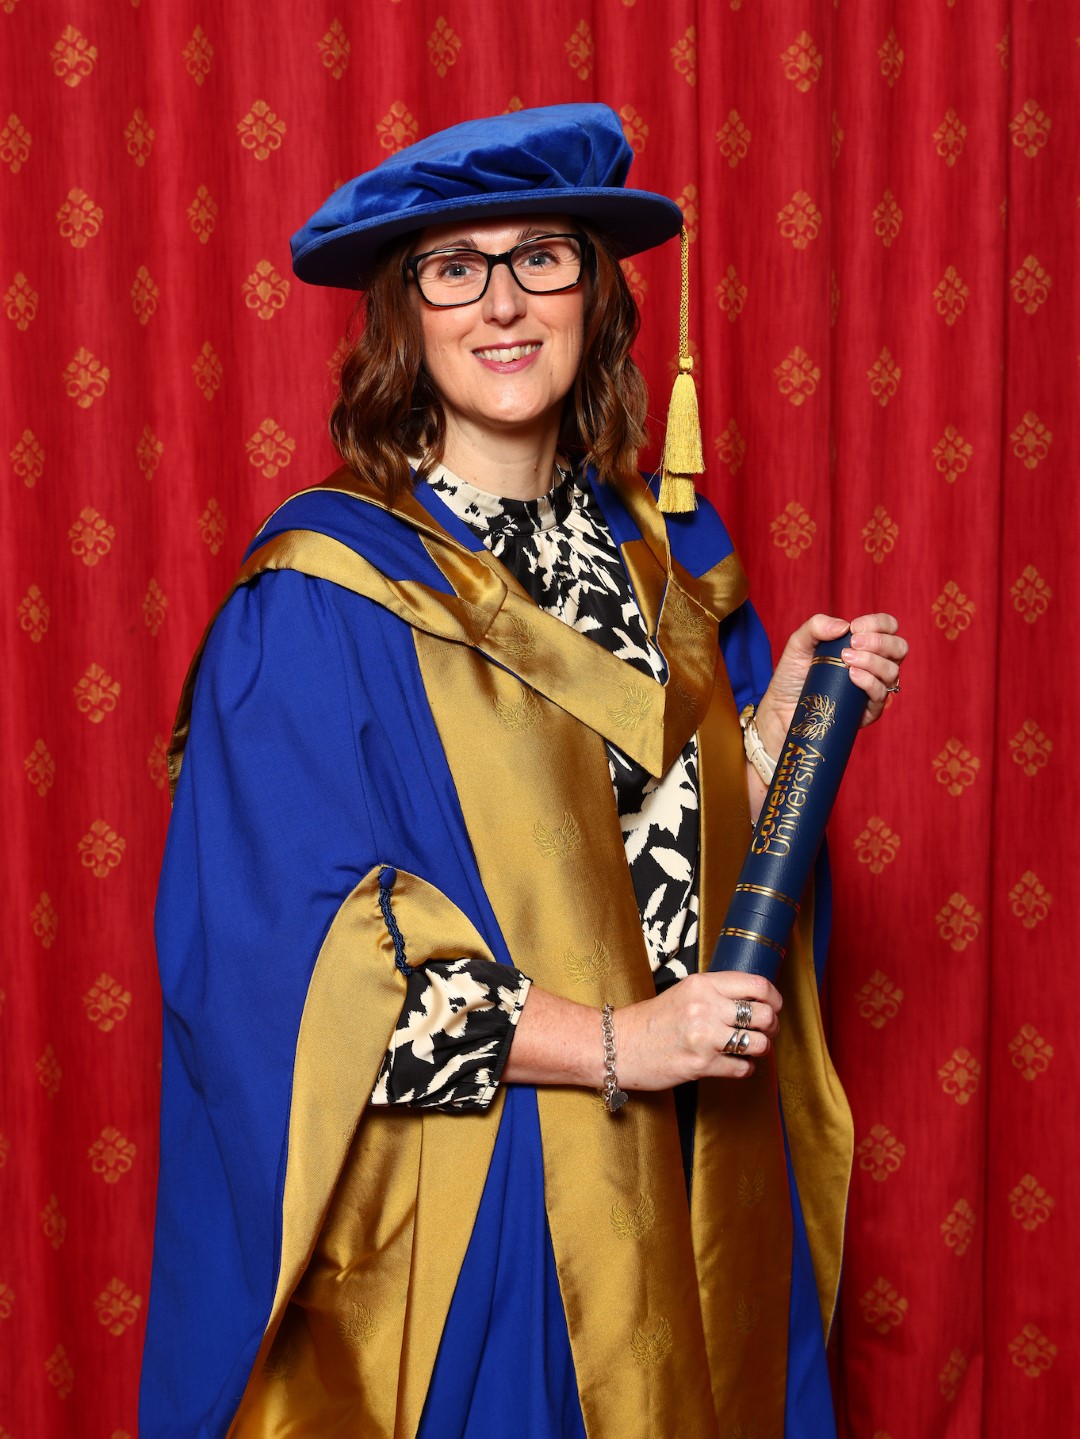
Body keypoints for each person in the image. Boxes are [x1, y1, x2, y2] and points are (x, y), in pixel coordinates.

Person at [140, 103, 907, 1438]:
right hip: (480, 1211)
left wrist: (772, 735)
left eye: (541, 256)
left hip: (683, 1179)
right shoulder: (321, 599)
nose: (502, 301)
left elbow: (662, 889)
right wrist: (619, 1044)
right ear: (405, 314)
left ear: (595, 294)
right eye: (456, 266)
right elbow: (292, 970)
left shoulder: (665, 555)